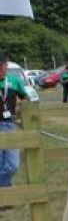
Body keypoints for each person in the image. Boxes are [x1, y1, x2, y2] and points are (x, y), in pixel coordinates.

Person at [0, 54, 27, 193]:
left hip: (10, 125)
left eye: (3, 65)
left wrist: (20, 108)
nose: (1, 68)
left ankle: (3, 191)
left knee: (12, 165)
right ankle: (5, 196)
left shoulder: (14, 81)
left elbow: (26, 98)